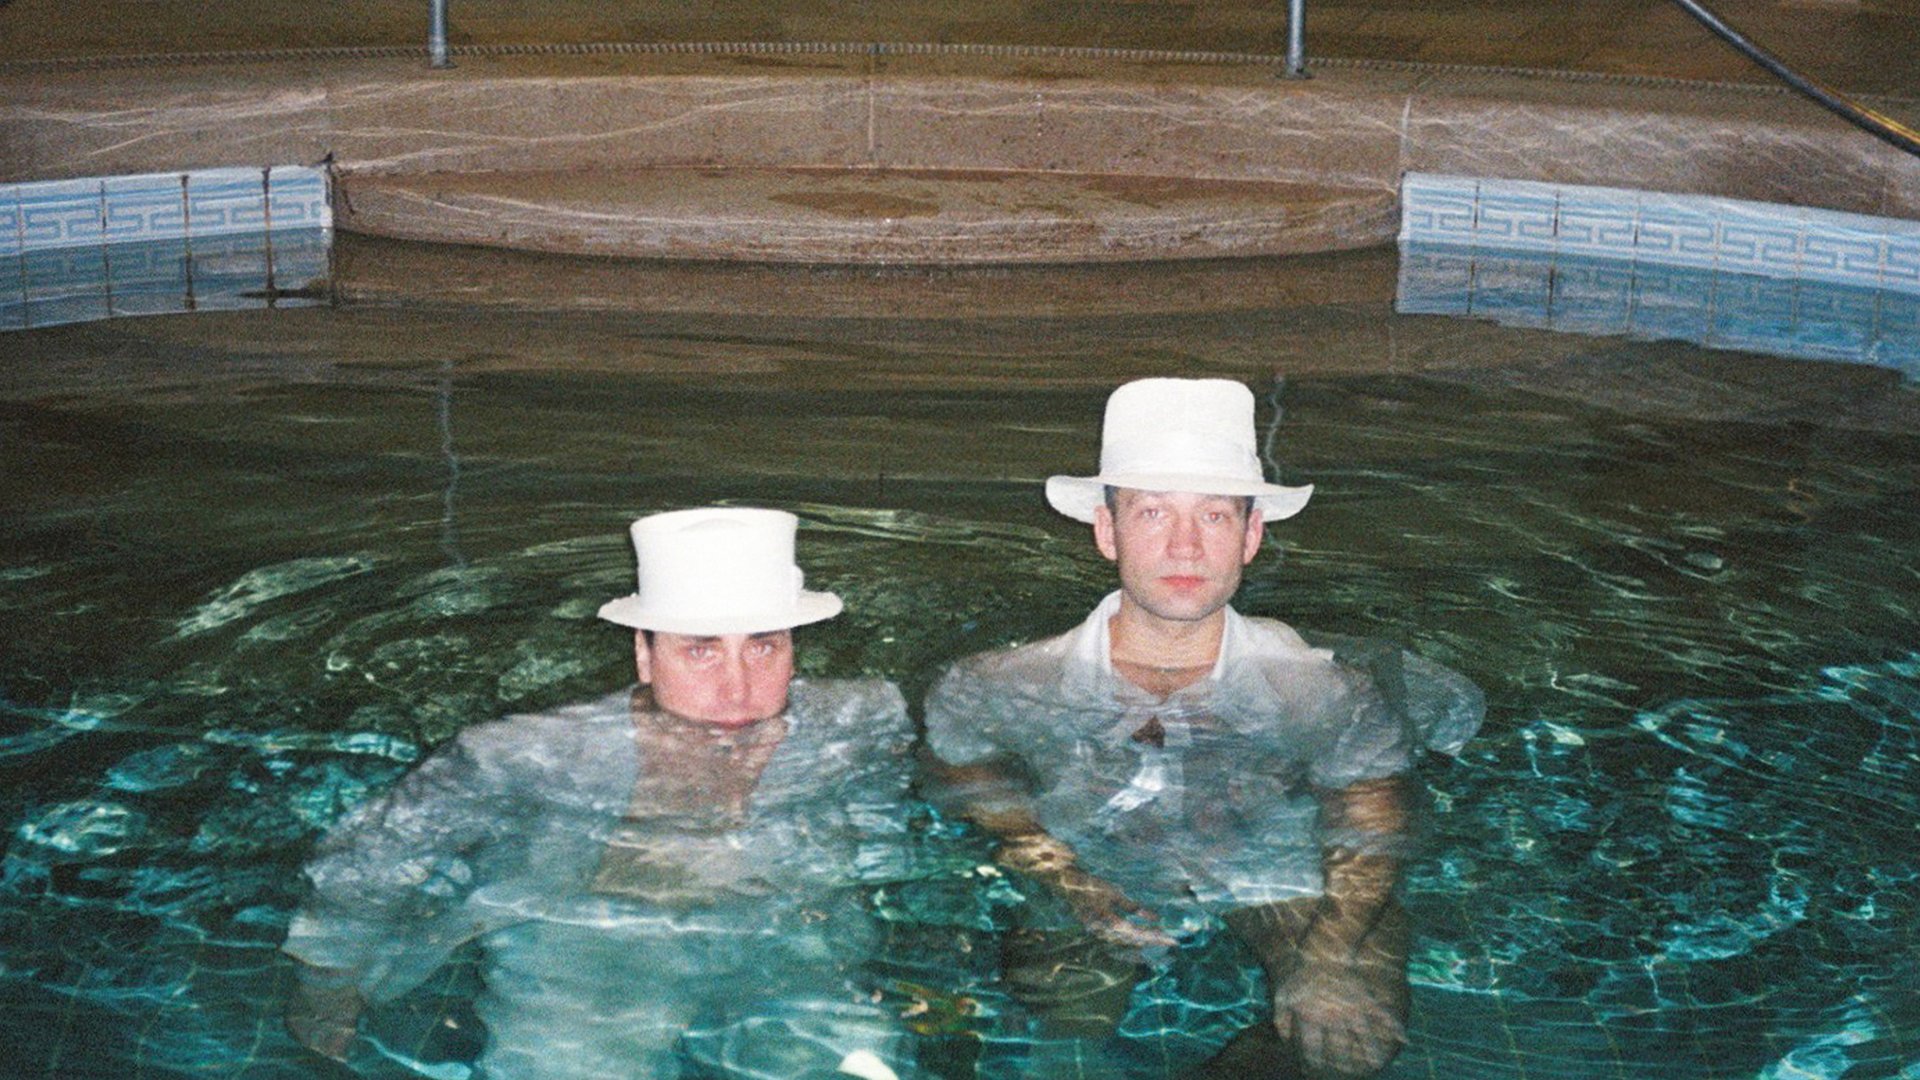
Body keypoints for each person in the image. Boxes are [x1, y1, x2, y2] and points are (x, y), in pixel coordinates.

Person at [922, 378, 1483, 1079]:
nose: (1184, 547)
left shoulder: (1318, 690)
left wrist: (1329, 954)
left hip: (1270, 864)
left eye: (1214, 517)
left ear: (1251, 536)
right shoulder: (1007, 684)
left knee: (1353, 1036)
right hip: (1101, 856)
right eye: (1153, 512)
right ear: (1107, 530)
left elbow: (1371, 813)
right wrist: (1064, 876)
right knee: (1060, 1005)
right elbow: (960, 762)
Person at [283, 507, 917, 1080]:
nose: (738, 688)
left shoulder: (860, 721)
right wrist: (328, 987)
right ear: (644, 654)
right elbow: (366, 866)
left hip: (791, 947)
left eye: (763, 646)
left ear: (793, 648)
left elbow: (881, 829)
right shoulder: (528, 754)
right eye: (701, 651)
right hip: (595, 959)